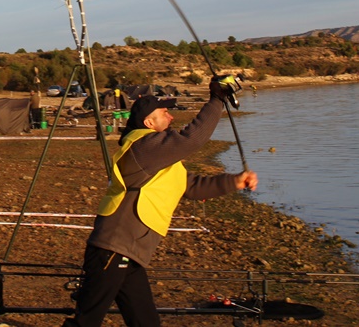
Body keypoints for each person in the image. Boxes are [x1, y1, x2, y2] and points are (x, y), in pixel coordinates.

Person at [63, 93, 258, 327]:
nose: (171, 116)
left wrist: (234, 182)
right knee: (87, 321)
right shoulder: (144, 147)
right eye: (164, 113)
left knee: (145, 321)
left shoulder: (158, 156)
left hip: (131, 252)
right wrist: (216, 100)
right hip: (112, 248)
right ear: (148, 122)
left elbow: (192, 187)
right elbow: (191, 140)